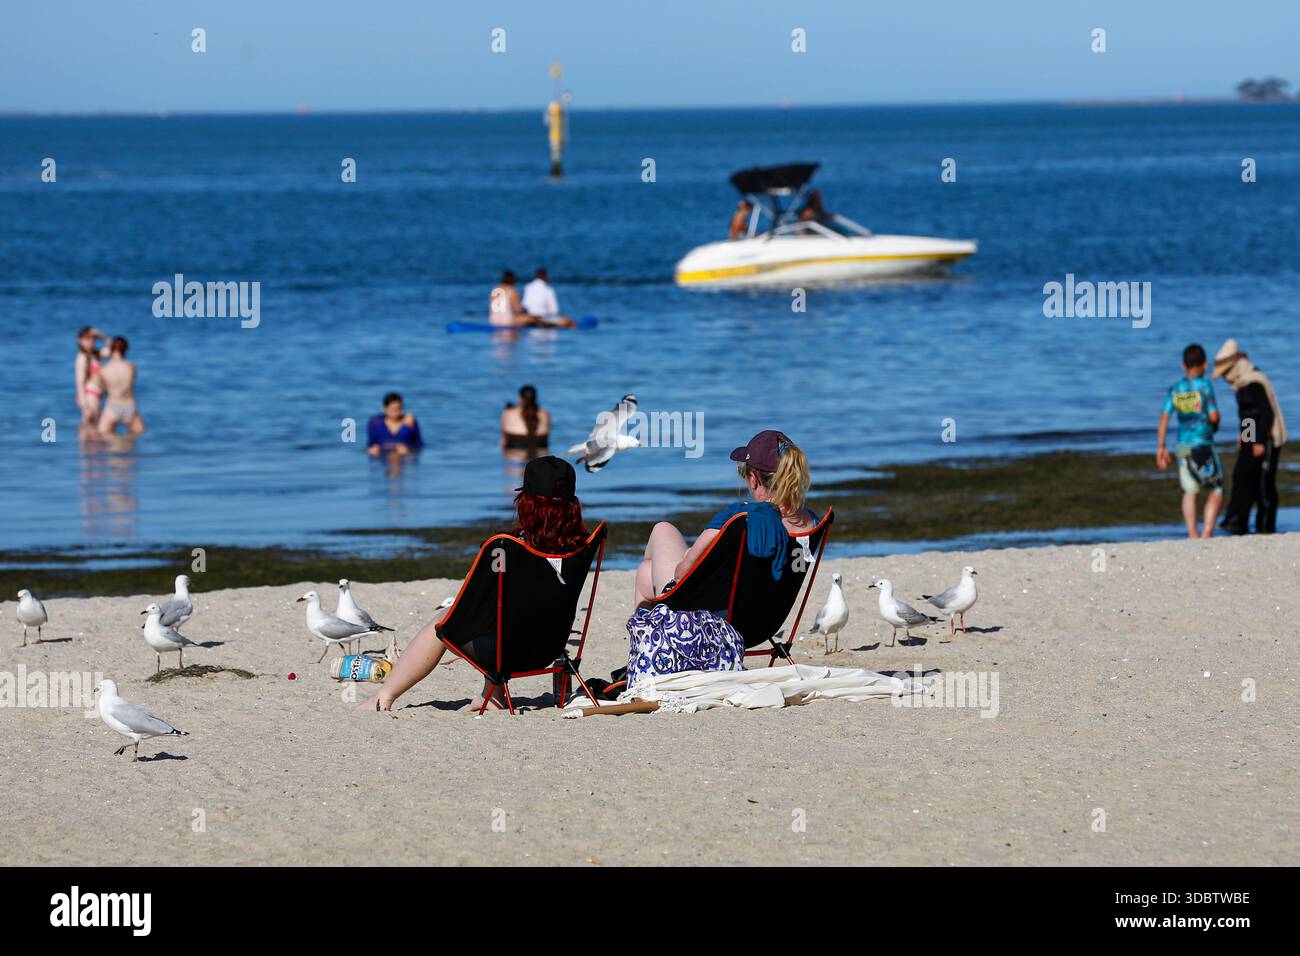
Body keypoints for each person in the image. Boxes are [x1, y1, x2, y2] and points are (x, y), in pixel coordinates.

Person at [354, 456, 589, 714]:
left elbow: (471, 607)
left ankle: (383, 698)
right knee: (505, 615)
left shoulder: (505, 548)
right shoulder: (584, 546)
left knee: (444, 621)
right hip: (550, 649)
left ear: (527, 504)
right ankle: (493, 695)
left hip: (507, 655)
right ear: (572, 504)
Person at [633, 429, 817, 609]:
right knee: (645, 573)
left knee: (662, 529)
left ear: (753, 479)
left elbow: (681, 572)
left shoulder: (739, 518)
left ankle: (646, 633)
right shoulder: (811, 523)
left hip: (713, 617)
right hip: (765, 619)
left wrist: (688, 556)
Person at [1213, 339, 1287, 534]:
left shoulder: (1254, 382)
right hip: (1252, 436)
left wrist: (1259, 441)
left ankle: (1266, 528)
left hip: (1267, 438)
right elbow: (1249, 414)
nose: (1225, 378)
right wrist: (1245, 436)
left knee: (1264, 483)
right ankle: (1238, 521)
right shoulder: (1242, 383)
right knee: (1243, 475)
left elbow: (1265, 414)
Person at [1156, 343, 1222, 538]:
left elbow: (1164, 417)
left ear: (1183, 366)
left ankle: (1192, 534)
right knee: (1216, 488)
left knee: (1189, 490)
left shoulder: (1176, 390)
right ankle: (1207, 531)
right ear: (1205, 365)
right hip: (1202, 445)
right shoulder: (1205, 386)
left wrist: (1161, 446)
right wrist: (1215, 425)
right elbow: (1214, 415)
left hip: (1182, 446)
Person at [94, 337, 146, 435]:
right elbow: (131, 382)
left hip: (113, 404)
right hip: (129, 404)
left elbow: (101, 389)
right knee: (139, 434)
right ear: (125, 350)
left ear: (111, 349)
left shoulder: (104, 370)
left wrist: (102, 355)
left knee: (101, 435)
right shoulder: (132, 367)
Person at [489, 270, 573, 329]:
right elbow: (518, 310)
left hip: (493, 320)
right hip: (507, 321)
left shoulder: (495, 290)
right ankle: (556, 323)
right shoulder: (512, 290)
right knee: (535, 318)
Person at [366, 392, 422, 457]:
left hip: (404, 457)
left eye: (398, 409)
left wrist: (410, 451)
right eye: (392, 409)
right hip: (382, 458)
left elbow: (419, 444)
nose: (396, 413)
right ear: (384, 408)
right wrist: (372, 449)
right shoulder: (376, 422)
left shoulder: (410, 421)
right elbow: (371, 443)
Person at [74, 326, 111, 424]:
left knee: (94, 433)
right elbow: (80, 382)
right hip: (89, 397)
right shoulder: (82, 357)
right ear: (80, 340)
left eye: (93, 338)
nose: (91, 341)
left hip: (96, 396)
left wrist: (100, 335)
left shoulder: (96, 354)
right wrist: (84, 406)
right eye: (87, 338)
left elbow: (115, 349)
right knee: (90, 431)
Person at [500, 384, 550, 455]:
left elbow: (503, 441)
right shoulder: (545, 414)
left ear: (520, 398)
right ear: (535, 398)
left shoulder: (508, 413)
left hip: (514, 453)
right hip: (540, 454)